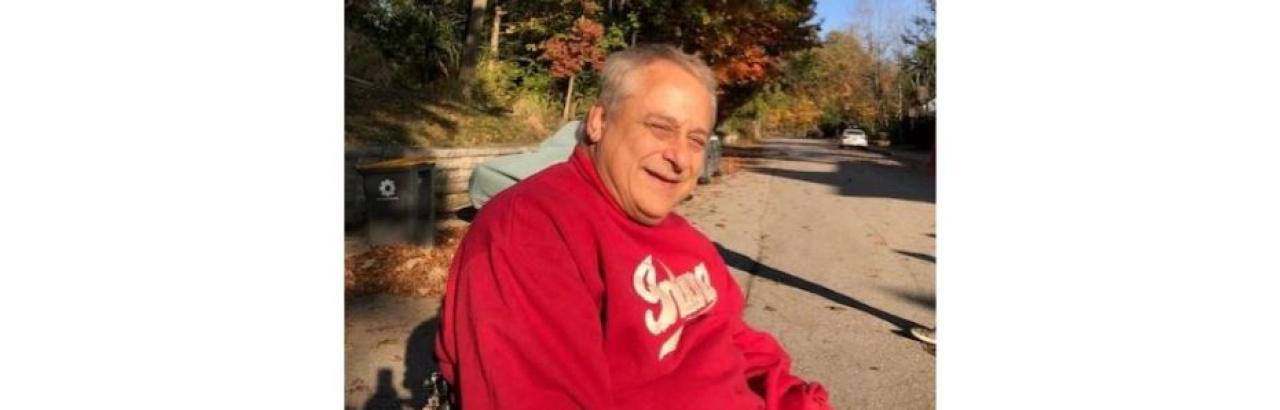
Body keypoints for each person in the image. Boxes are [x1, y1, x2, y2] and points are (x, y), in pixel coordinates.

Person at [433, 44, 830, 410]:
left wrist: (798, 400)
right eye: (660, 128)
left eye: (695, 140)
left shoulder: (686, 241)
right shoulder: (533, 229)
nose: (679, 157)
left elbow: (737, 341)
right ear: (599, 121)